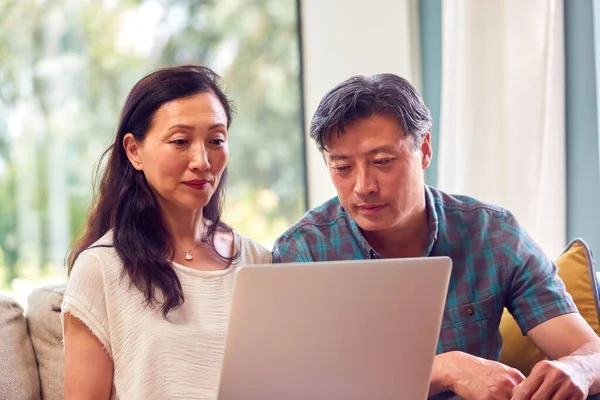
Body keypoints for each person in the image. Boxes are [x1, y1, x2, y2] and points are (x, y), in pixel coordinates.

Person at [272, 73, 600, 400]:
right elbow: (301, 384)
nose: (363, 186)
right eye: (342, 167)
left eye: (382, 161)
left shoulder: (492, 234)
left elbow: (589, 350)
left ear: (424, 149)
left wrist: (579, 369)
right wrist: (444, 369)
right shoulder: (304, 252)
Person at [62, 65, 271, 399]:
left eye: (216, 140)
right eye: (180, 141)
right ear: (134, 151)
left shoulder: (258, 261)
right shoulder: (99, 270)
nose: (202, 160)